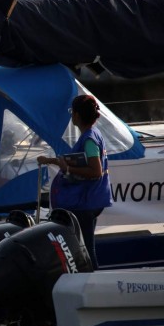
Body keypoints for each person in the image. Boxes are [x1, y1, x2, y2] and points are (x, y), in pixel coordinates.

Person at [36, 95, 112, 269]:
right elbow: (76, 160)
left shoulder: (89, 139)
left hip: (86, 202)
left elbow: (96, 171)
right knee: (83, 246)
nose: (71, 116)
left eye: (72, 112)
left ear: (77, 115)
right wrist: (51, 161)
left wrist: (68, 170)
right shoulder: (92, 134)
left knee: (86, 248)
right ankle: (88, 280)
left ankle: (91, 282)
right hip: (90, 200)